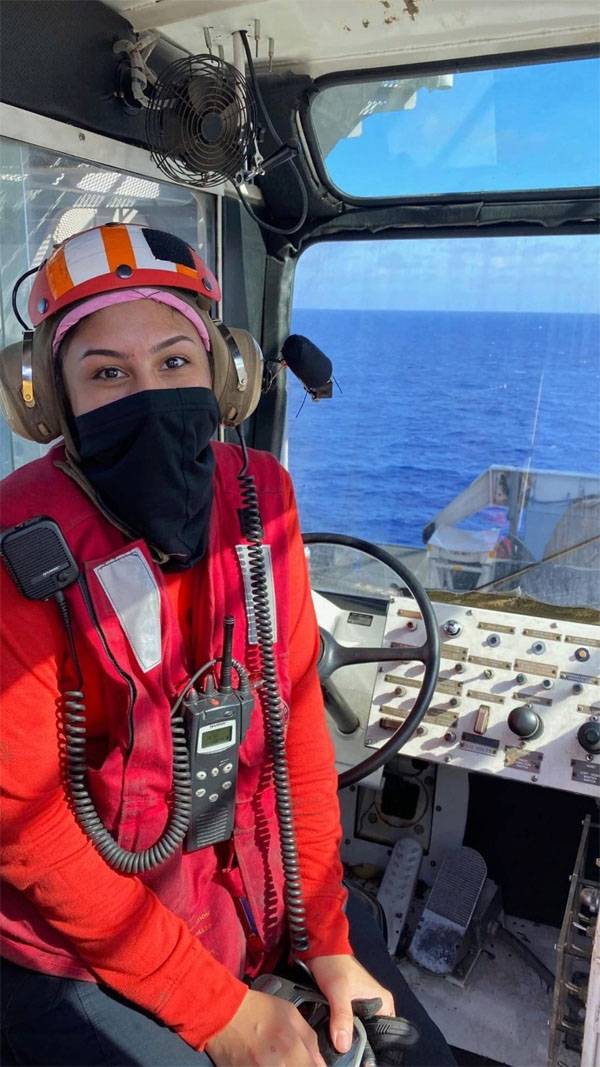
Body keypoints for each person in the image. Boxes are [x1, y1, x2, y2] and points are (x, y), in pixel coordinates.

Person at [0, 224, 455, 1066]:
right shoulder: (17, 538)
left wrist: (326, 934)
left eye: (176, 362)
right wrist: (222, 1014)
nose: (150, 392)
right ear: (50, 401)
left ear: (226, 375)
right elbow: (31, 835)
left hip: (248, 898)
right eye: (107, 373)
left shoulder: (261, 499)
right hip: (70, 944)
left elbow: (296, 730)